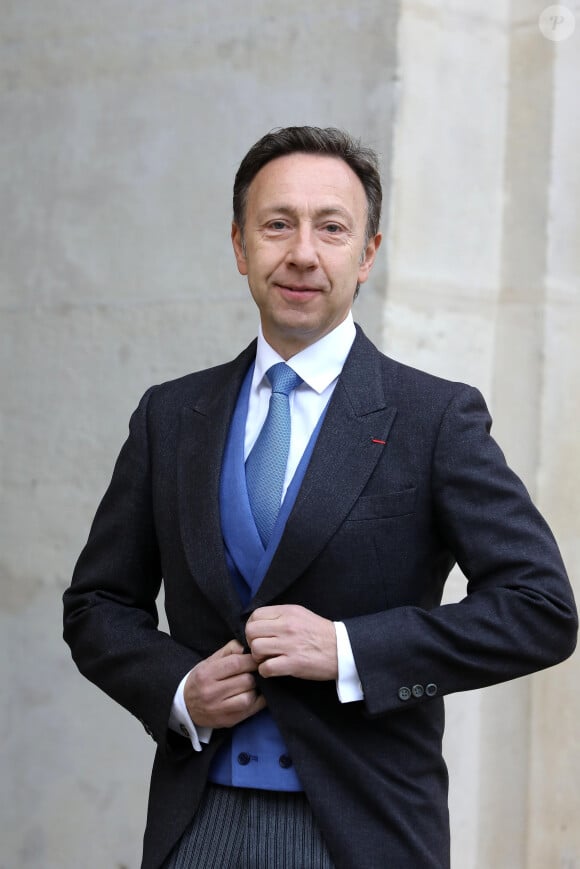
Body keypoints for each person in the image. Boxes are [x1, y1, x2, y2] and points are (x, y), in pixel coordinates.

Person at [63, 126, 577, 869]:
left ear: (366, 254)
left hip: (362, 829)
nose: (302, 251)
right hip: (193, 824)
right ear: (241, 247)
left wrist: (346, 649)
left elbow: (541, 609)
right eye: (277, 224)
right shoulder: (170, 416)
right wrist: (176, 688)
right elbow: (97, 605)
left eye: (331, 227)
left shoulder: (434, 418)